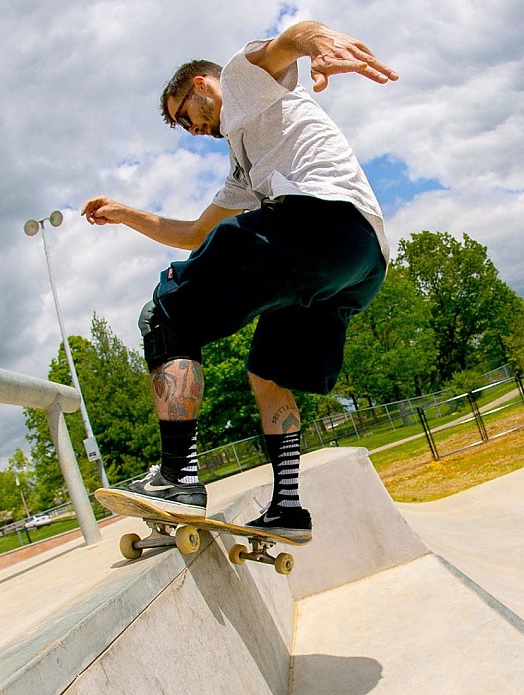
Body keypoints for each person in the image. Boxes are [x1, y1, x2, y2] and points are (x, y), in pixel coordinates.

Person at [82, 22, 397, 542]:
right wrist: (124, 213)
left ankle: (177, 477)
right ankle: (288, 507)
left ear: (201, 85)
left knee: (165, 313)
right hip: (359, 260)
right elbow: (193, 233)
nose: (194, 131)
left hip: (316, 224)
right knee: (266, 374)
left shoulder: (242, 80)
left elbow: (292, 38)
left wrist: (319, 44)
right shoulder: (245, 166)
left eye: (187, 117)